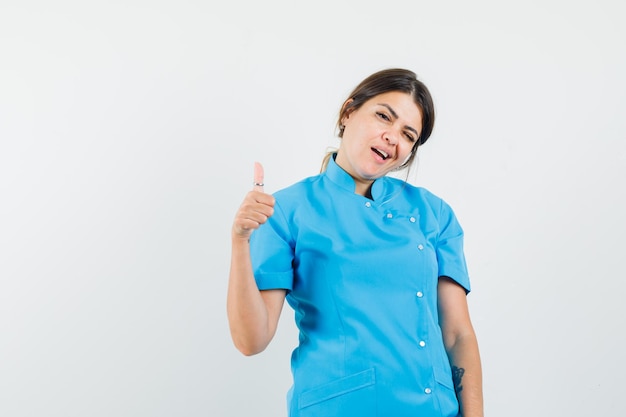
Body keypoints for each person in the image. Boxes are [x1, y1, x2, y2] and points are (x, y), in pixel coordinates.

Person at [227, 68, 483, 417]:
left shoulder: (434, 214)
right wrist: (241, 241)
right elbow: (251, 340)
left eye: (408, 134)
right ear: (348, 113)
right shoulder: (287, 210)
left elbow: (457, 335)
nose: (392, 137)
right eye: (383, 116)